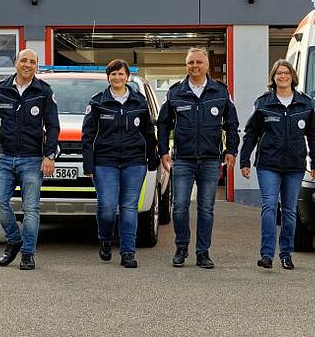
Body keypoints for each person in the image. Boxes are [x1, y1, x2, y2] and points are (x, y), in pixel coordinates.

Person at [0, 48, 59, 270]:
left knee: (31, 208)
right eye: (24, 60)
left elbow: (53, 126)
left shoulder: (44, 91)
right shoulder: (2, 89)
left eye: (32, 61)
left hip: (32, 159)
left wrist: (49, 155)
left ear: (36, 66)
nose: (28, 65)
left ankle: (28, 254)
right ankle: (14, 240)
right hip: (6, 157)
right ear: (16, 64)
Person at [157, 47, 239, 269]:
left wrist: (231, 150)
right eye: (190, 62)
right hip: (183, 159)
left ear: (207, 66)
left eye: (198, 62)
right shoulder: (175, 92)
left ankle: (203, 252)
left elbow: (231, 124)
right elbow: (163, 124)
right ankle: (181, 248)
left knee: (206, 208)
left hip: (211, 160)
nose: (194, 66)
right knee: (180, 206)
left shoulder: (220, 92)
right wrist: (163, 151)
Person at [239, 59, 315, 270]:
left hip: (294, 165)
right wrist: (245, 160)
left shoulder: (305, 103)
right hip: (268, 164)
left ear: (292, 76)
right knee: (268, 207)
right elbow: (251, 133)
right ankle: (266, 255)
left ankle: (286, 254)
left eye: (286, 73)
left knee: (290, 211)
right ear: (273, 78)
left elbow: (313, 134)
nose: (282, 77)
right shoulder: (264, 103)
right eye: (278, 73)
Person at [81, 59, 159, 268]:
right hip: (104, 163)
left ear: (127, 77)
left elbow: (149, 133)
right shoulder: (97, 102)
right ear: (108, 77)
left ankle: (128, 252)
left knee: (129, 207)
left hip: (134, 162)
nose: (117, 78)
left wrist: (153, 159)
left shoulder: (139, 101)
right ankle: (105, 240)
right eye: (113, 74)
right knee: (107, 207)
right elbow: (87, 137)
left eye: (121, 74)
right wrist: (88, 165)